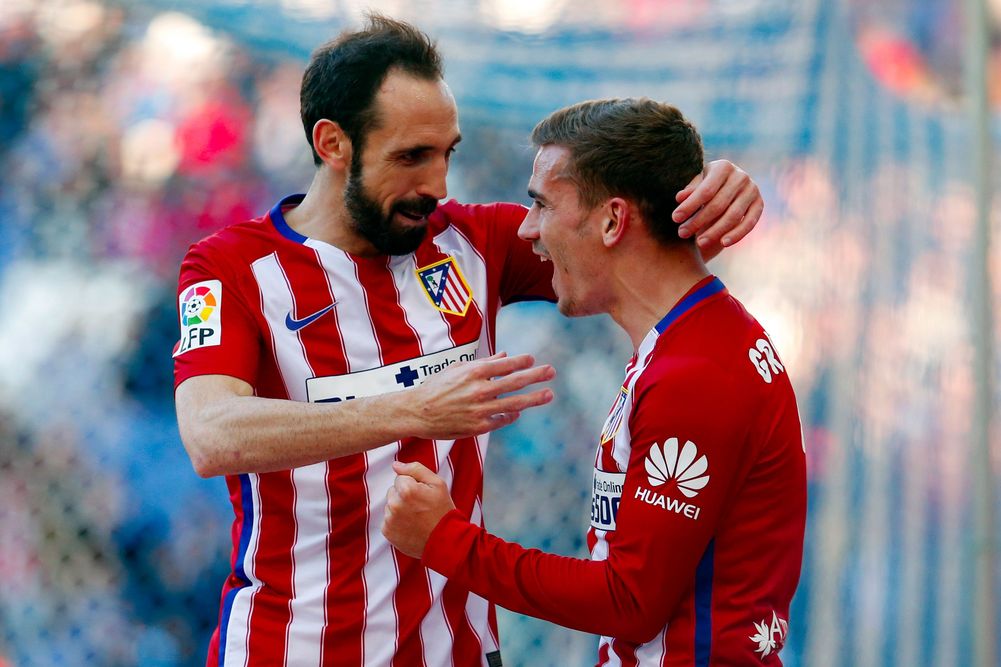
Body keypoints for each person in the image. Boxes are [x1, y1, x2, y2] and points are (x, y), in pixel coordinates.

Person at [173, 15, 765, 667]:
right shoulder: (230, 269)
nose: (437, 185)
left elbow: (630, 246)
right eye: (410, 157)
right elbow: (211, 433)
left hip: (457, 651)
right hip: (293, 649)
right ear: (332, 143)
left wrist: (707, 189)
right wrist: (412, 410)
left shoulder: (473, 243)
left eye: (446, 152)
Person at [382, 98, 807, 666]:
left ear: (613, 220)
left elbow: (630, 601)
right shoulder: (694, 337)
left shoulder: (696, 375)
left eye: (541, 205)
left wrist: (445, 540)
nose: (528, 230)